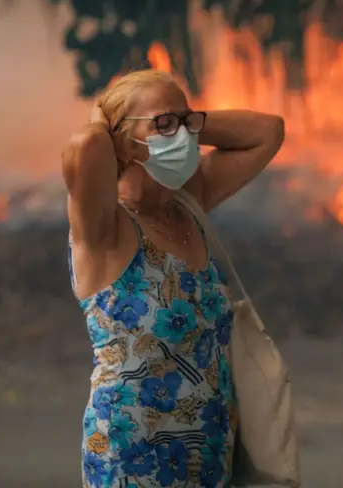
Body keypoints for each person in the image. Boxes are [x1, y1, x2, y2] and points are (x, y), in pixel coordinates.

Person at [62, 68, 285, 488]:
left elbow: (268, 131)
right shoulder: (104, 226)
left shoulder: (188, 201)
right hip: (132, 454)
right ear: (122, 140)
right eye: (162, 125)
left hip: (211, 448)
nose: (181, 136)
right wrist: (105, 122)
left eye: (186, 123)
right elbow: (84, 146)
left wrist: (184, 117)